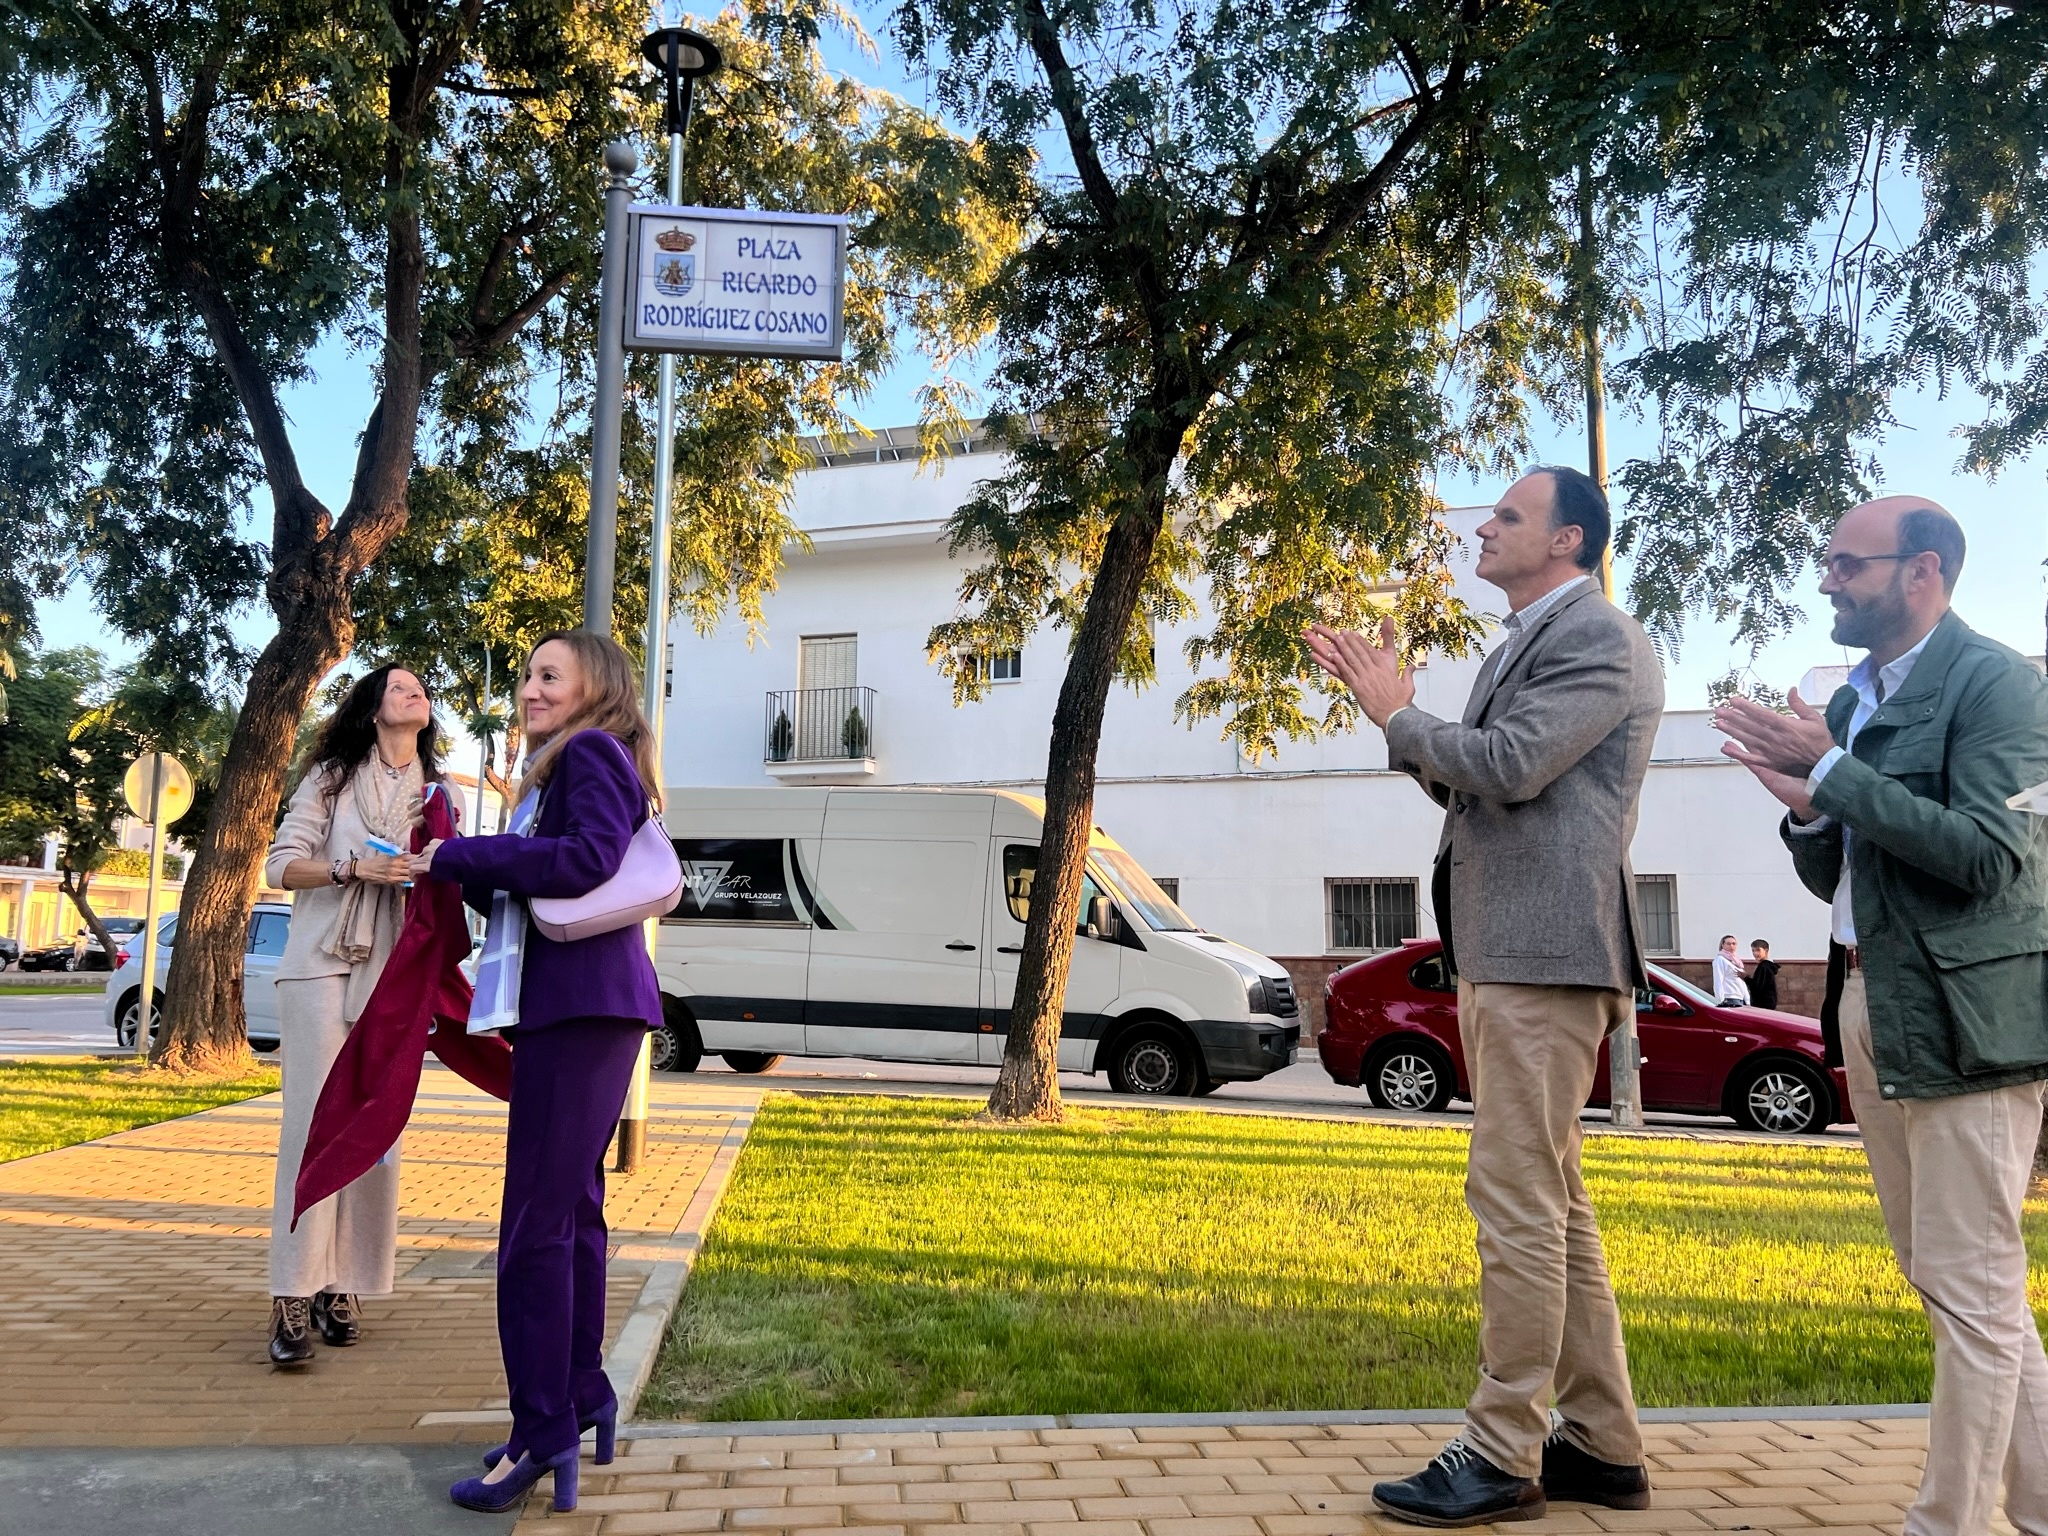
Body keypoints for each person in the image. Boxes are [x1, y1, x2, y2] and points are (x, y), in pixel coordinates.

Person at [1307, 466, 1662, 1527]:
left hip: (1543, 958)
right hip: (1508, 954)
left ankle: (1503, 1451)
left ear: (1567, 541)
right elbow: (1472, 782)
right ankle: (1599, 1445)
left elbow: (1507, 765)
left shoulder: (1597, 637)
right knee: (1554, 1206)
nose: (1484, 527)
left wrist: (1398, 712)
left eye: (1509, 515)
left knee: (1514, 1204)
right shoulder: (1522, 643)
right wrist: (1397, 720)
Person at [1714, 497, 2048, 1536]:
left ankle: (1945, 1522)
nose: (1826, 580)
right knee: (1954, 1278)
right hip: (1869, 995)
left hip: (1966, 1016)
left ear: (1922, 570)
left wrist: (1831, 771)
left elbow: (1986, 859)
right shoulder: (1855, 702)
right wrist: (1809, 808)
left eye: (1846, 564)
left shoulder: (1997, 684)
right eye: (1827, 561)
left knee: (1968, 1284)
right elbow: (1848, 880)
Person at [412, 631, 662, 1517]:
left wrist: (462, 855)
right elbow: (540, 882)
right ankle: (581, 1392)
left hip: (580, 1009)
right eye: (526, 676)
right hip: (586, 1007)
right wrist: (457, 861)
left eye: (550, 675)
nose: (529, 689)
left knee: (532, 1231)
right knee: (572, 1214)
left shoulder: (590, 754)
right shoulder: (567, 769)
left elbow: (587, 861)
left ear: (597, 688)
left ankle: (539, 1430)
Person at [263, 665, 457, 1367]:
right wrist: (353, 869)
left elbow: (452, 883)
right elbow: (280, 867)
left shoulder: (439, 793)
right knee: (311, 1127)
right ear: (374, 708)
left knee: (378, 1129)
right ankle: (292, 1292)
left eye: (420, 688)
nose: (414, 693)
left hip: (394, 974)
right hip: (320, 963)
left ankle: (343, 1284)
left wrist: (435, 867)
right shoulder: (332, 778)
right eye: (399, 686)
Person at [1712, 934, 1749, 1007]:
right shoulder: (1720, 959)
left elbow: (1742, 981)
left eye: (1734, 944)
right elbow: (1718, 980)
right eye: (1728, 944)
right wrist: (1720, 1000)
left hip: (1740, 997)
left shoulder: (1736, 961)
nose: (1731, 946)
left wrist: (1747, 1000)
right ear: (1722, 945)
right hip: (1729, 997)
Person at [1747, 940, 1780, 1011]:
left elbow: (1757, 987)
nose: (1755, 953)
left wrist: (1745, 978)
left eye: (1758, 950)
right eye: (1753, 950)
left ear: (1766, 951)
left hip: (1763, 1004)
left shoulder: (1764, 967)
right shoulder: (1768, 966)